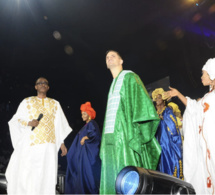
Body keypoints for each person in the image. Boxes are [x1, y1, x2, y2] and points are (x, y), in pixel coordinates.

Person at [100, 50, 161, 194]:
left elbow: (142, 103)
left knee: (126, 177)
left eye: (113, 56)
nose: (109, 58)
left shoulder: (130, 76)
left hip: (124, 136)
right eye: (107, 57)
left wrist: (136, 133)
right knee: (110, 178)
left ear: (121, 61)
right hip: (109, 137)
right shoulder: (112, 84)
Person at [6, 77, 72, 195]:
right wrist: (29, 123)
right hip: (32, 146)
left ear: (48, 87)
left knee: (47, 176)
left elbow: (59, 125)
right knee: (30, 176)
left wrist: (61, 142)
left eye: (45, 83)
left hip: (49, 147)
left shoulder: (55, 104)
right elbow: (15, 120)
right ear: (36, 87)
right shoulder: (27, 102)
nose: (43, 84)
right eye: (40, 83)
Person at [166, 58, 215, 194]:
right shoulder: (207, 97)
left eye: (203, 74)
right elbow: (194, 108)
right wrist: (178, 94)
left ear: (212, 75)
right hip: (206, 150)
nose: (201, 77)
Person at [65, 102, 101, 194]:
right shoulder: (86, 125)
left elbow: (95, 136)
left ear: (89, 114)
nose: (82, 116)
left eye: (84, 114)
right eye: (82, 114)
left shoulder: (92, 123)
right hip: (82, 156)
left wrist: (85, 137)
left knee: (87, 177)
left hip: (87, 157)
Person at [152, 88, 183, 179]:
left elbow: (173, 125)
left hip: (168, 143)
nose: (157, 100)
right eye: (155, 98)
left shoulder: (167, 110)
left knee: (170, 162)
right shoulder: (154, 113)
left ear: (164, 99)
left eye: (159, 98)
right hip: (158, 143)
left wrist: (163, 119)